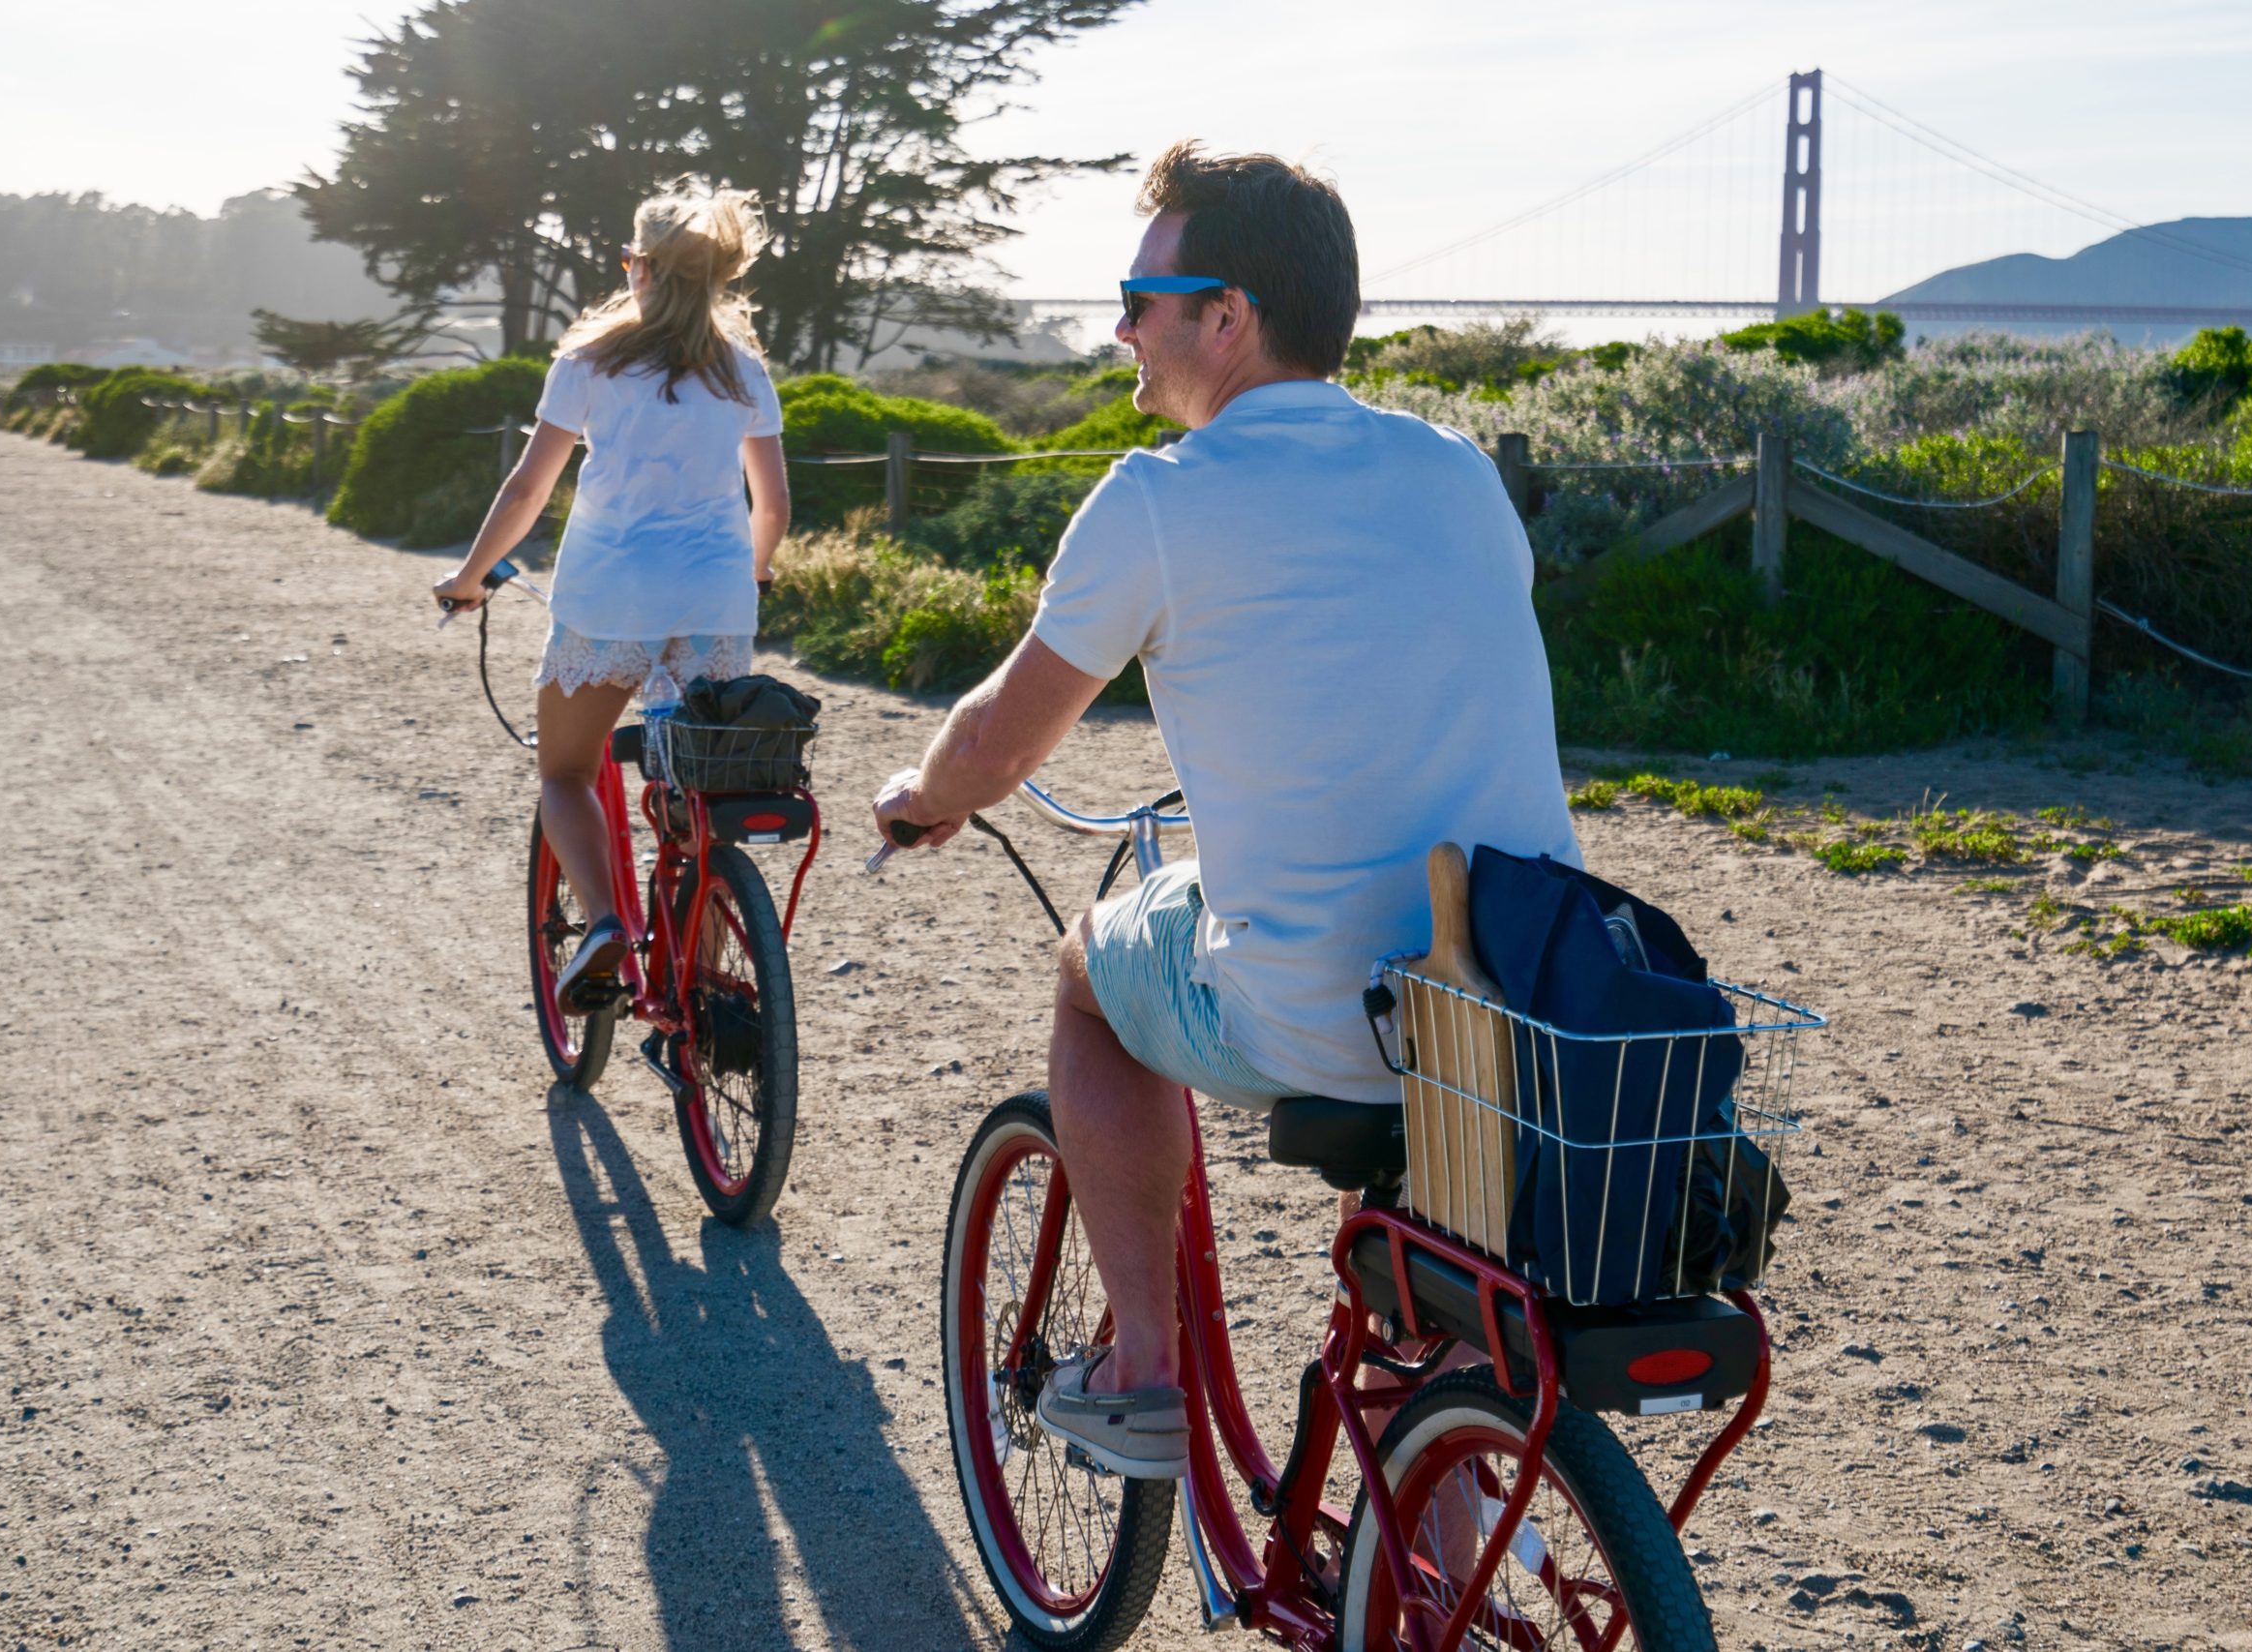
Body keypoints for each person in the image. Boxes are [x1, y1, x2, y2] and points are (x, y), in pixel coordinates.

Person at [872, 141, 1580, 1479]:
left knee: (1090, 974)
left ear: (1229, 314)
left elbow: (1000, 738)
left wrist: (925, 797)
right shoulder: (1458, 472)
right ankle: (1428, 1526)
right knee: (1431, 1322)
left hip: (1319, 1015)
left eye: (1141, 297)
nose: (1121, 326)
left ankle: (1143, 1369)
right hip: (1518, 997)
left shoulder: (1157, 499)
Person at [435, 185, 791, 1012]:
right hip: (713, 600)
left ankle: (601, 928)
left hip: (610, 593)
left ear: (639, 269)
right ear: (717, 282)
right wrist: (755, 570)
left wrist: (467, 578)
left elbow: (528, 489)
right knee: (695, 791)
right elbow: (769, 507)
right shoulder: (742, 370)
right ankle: (699, 979)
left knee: (564, 768)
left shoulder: (588, 361)